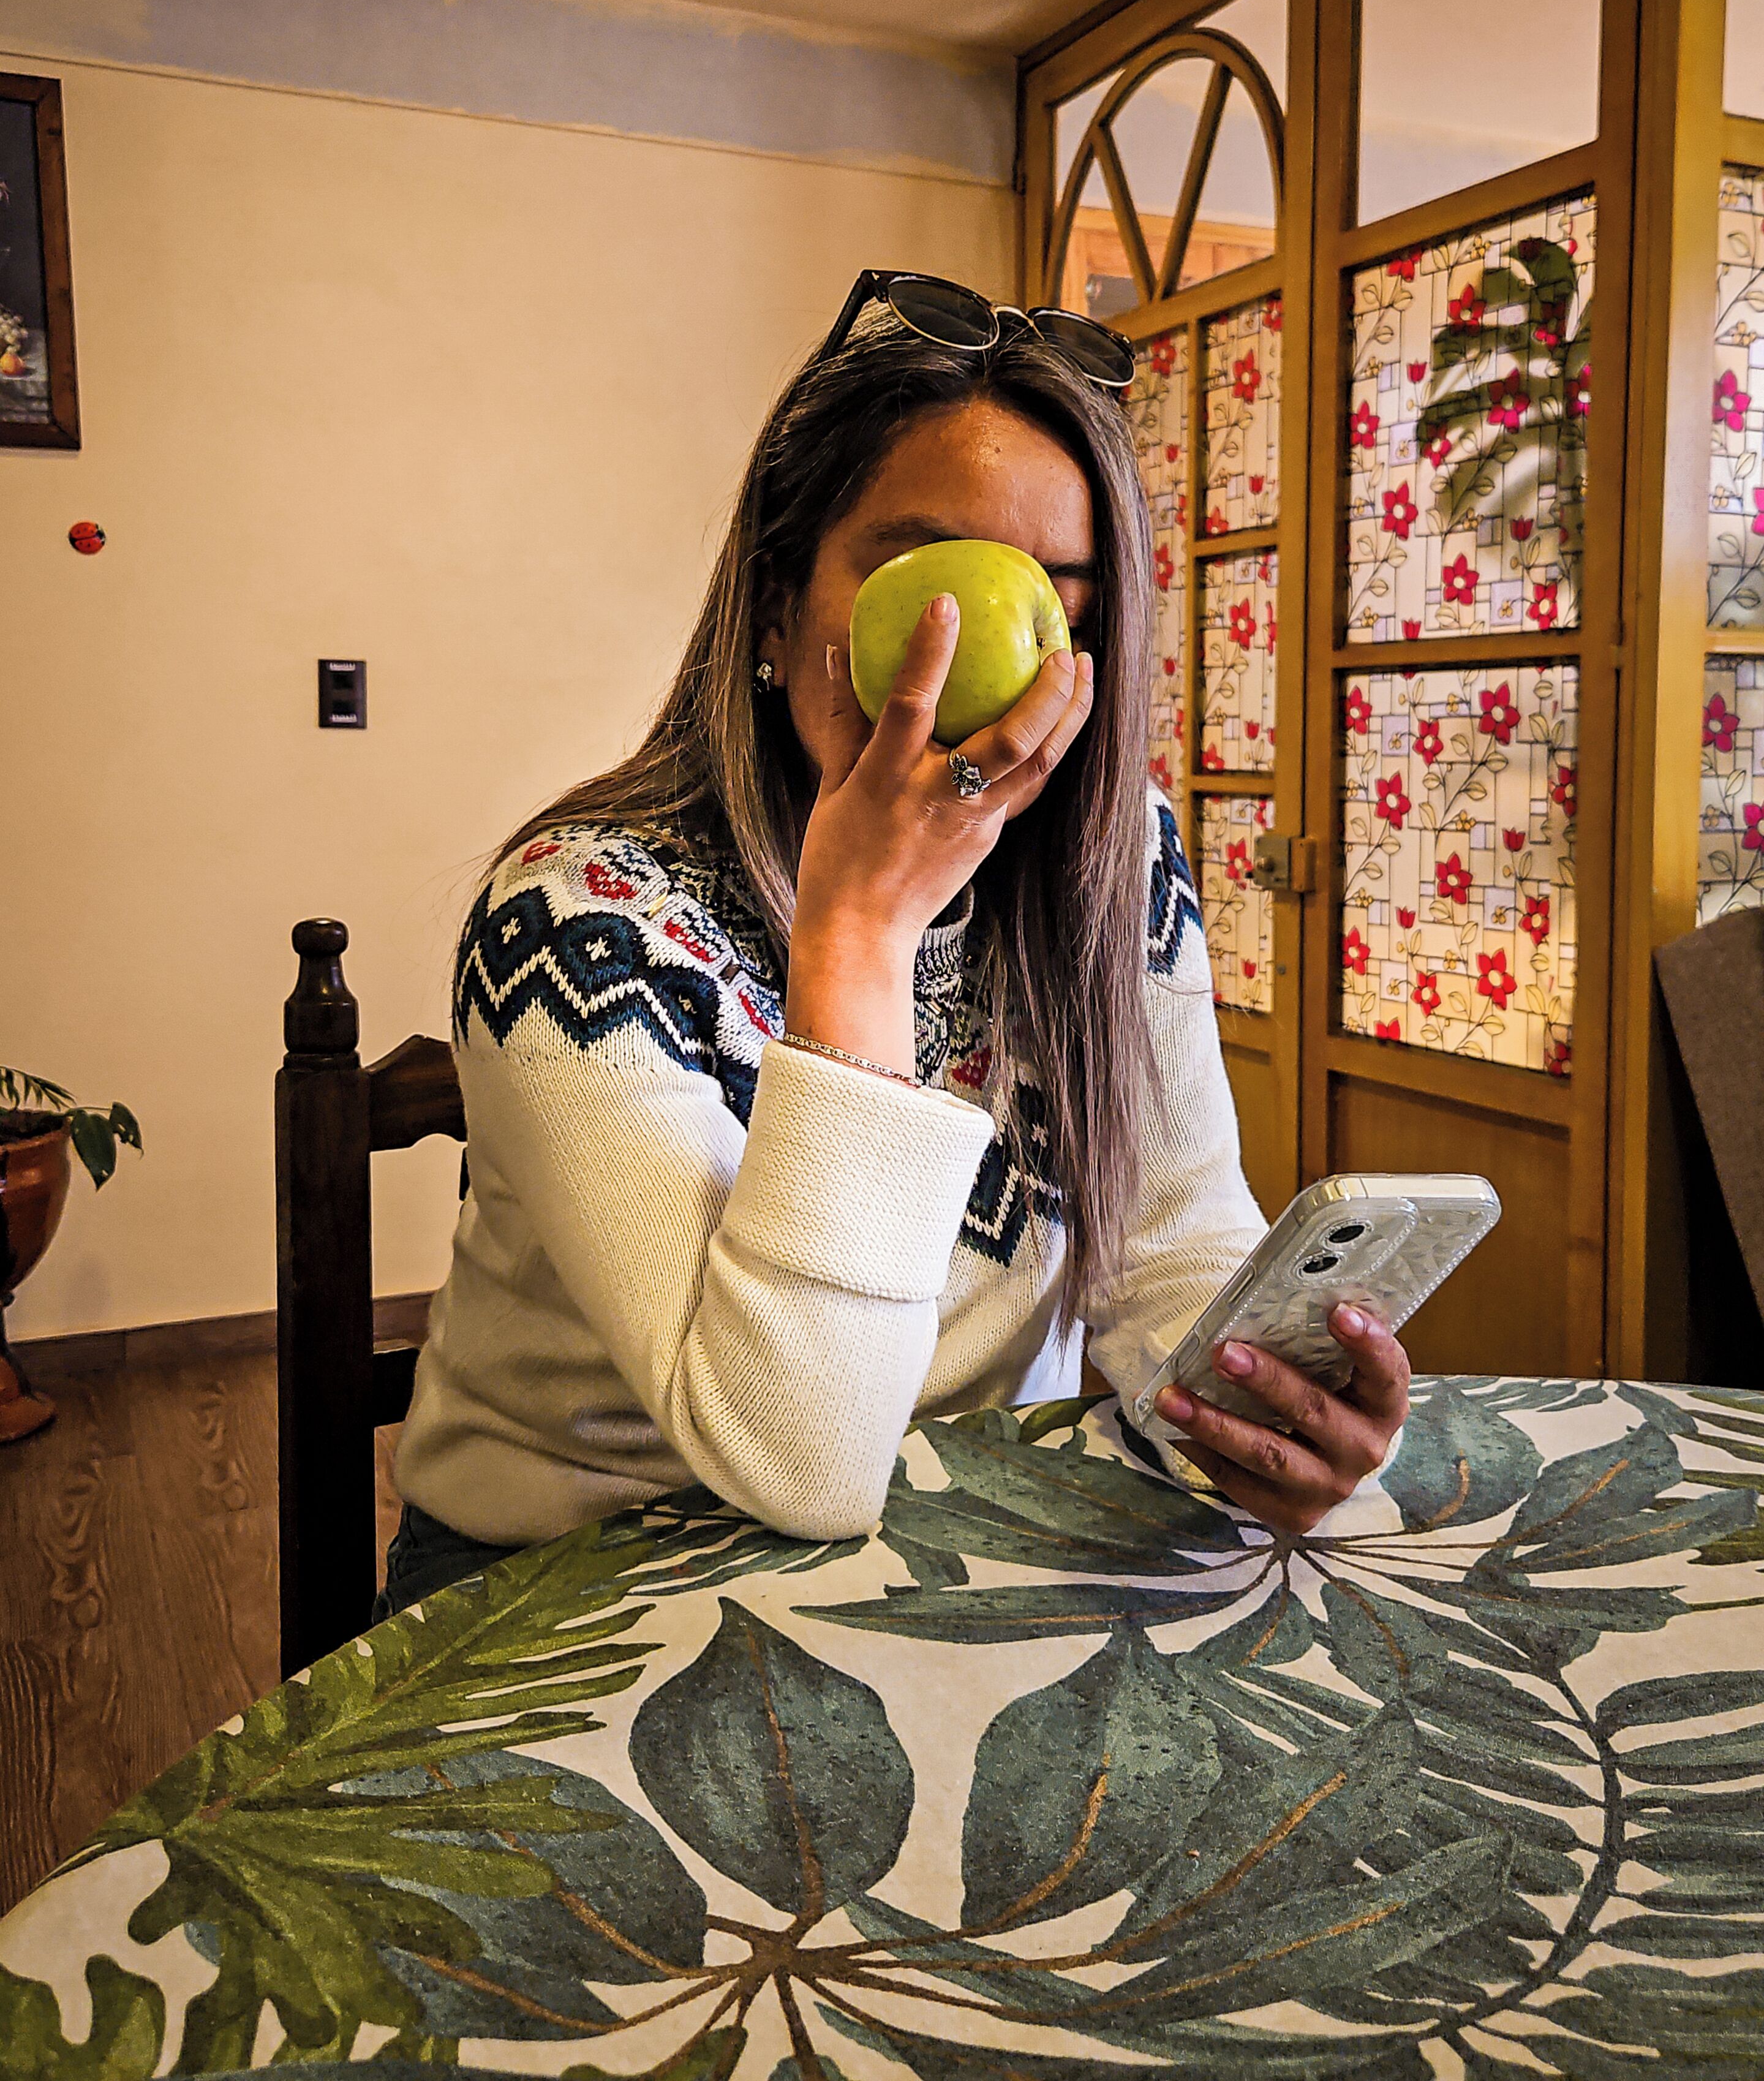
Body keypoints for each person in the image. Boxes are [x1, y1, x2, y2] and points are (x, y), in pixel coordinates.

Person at [381, 276, 1409, 1617]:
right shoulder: (578, 921)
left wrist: (1252, 1410)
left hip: (952, 1538)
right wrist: (862, 932)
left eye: (1064, 598)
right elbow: (794, 1461)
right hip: (567, 1580)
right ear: (771, 610)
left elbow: (1168, 1242)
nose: (986, 638)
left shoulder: (1116, 860)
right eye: (922, 573)